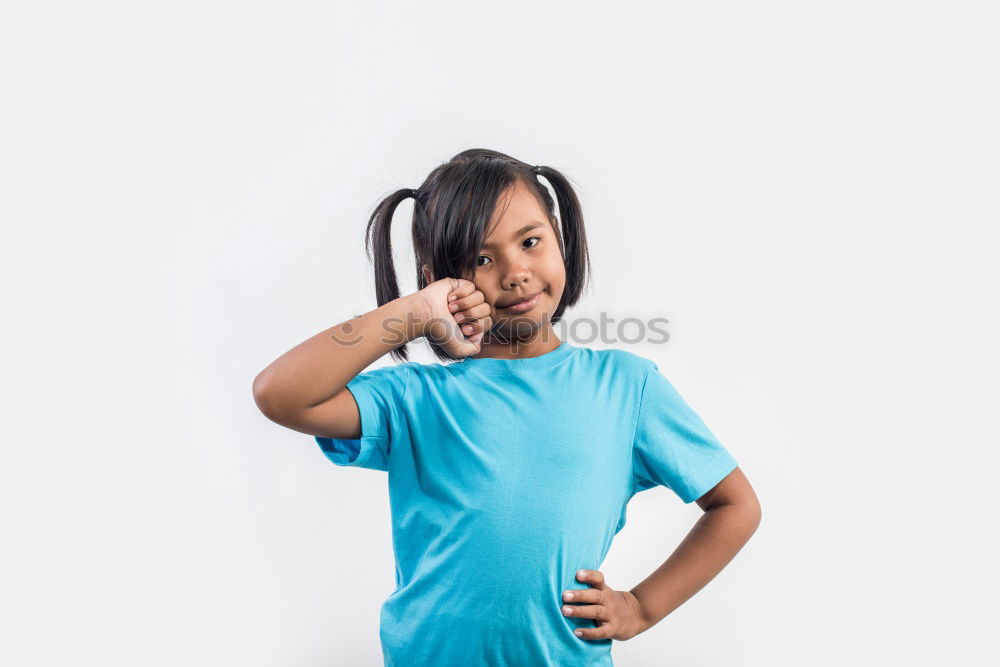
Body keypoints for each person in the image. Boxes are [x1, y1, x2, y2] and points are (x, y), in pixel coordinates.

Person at [252, 148, 762, 665]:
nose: (515, 272)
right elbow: (280, 393)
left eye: (531, 242)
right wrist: (413, 312)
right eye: (480, 258)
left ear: (560, 241)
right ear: (438, 280)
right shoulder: (414, 399)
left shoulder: (626, 388)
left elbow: (735, 506)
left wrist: (642, 608)